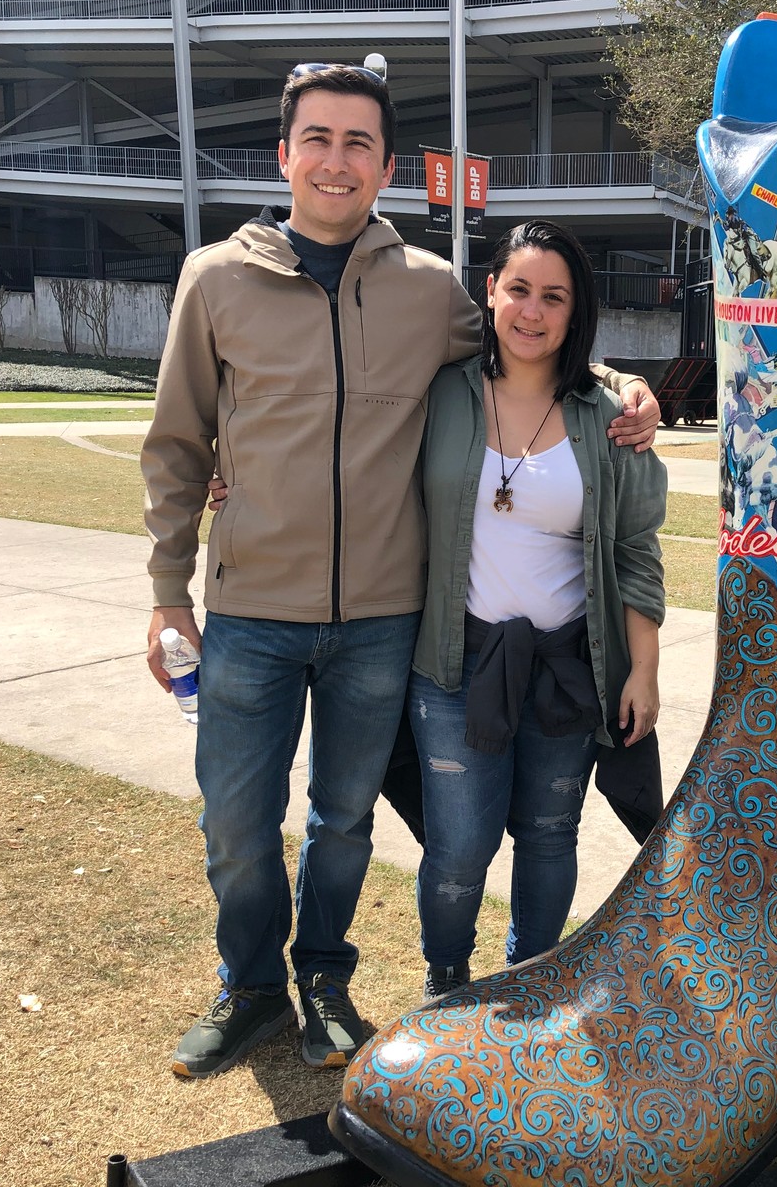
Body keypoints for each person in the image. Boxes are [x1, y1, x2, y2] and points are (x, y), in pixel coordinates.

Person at [140, 65, 659, 1080]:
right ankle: (249, 986)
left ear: (386, 165)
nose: (338, 160)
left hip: (383, 622)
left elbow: (530, 351)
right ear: (284, 153)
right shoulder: (214, 278)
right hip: (248, 610)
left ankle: (325, 983)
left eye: (359, 144)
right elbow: (176, 444)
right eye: (319, 139)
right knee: (237, 824)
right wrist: (168, 588)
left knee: (343, 822)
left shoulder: (426, 290)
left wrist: (625, 385)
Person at [406, 221, 667, 998]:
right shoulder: (443, 391)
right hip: (454, 665)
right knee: (459, 843)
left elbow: (635, 553)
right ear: (489, 291)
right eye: (518, 288)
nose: (532, 310)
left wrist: (643, 671)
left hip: (567, 666)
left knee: (550, 835)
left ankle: (530, 980)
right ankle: (446, 984)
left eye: (554, 296)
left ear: (574, 309)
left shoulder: (609, 415)